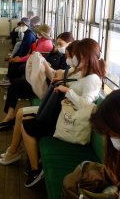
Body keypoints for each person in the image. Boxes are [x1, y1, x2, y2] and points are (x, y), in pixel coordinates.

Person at [21, 38, 106, 187]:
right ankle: (33, 164)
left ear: (85, 57)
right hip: (62, 116)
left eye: (76, 55)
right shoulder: (85, 74)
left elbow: (86, 106)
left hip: (69, 122)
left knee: (26, 125)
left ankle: (36, 170)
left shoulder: (92, 79)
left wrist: (67, 91)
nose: (73, 59)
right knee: (27, 120)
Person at [0, 40, 79, 165]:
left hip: (60, 111)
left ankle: (29, 164)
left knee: (25, 120)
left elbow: (80, 100)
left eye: (61, 44)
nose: (58, 46)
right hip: (55, 104)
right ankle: (13, 150)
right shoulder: (73, 70)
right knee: (19, 98)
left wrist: (52, 71)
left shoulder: (82, 77)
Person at [0, 32, 74, 133]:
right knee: (16, 83)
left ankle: (11, 118)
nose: (58, 46)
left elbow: (56, 78)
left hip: (47, 86)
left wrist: (46, 65)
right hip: (41, 79)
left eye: (61, 44)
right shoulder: (56, 52)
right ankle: (10, 114)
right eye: (57, 43)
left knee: (17, 83)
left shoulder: (68, 60)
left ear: (70, 43)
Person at [0, 18, 36, 87]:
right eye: (20, 24)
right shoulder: (27, 33)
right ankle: (8, 78)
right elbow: (22, 48)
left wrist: (18, 57)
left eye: (23, 24)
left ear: (27, 25)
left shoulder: (29, 35)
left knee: (14, 62)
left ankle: (9, 79)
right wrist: (15, 56)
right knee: (12, 60)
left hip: (27, 56)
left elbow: (25, 49)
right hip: (25, 54)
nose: (21, 26)